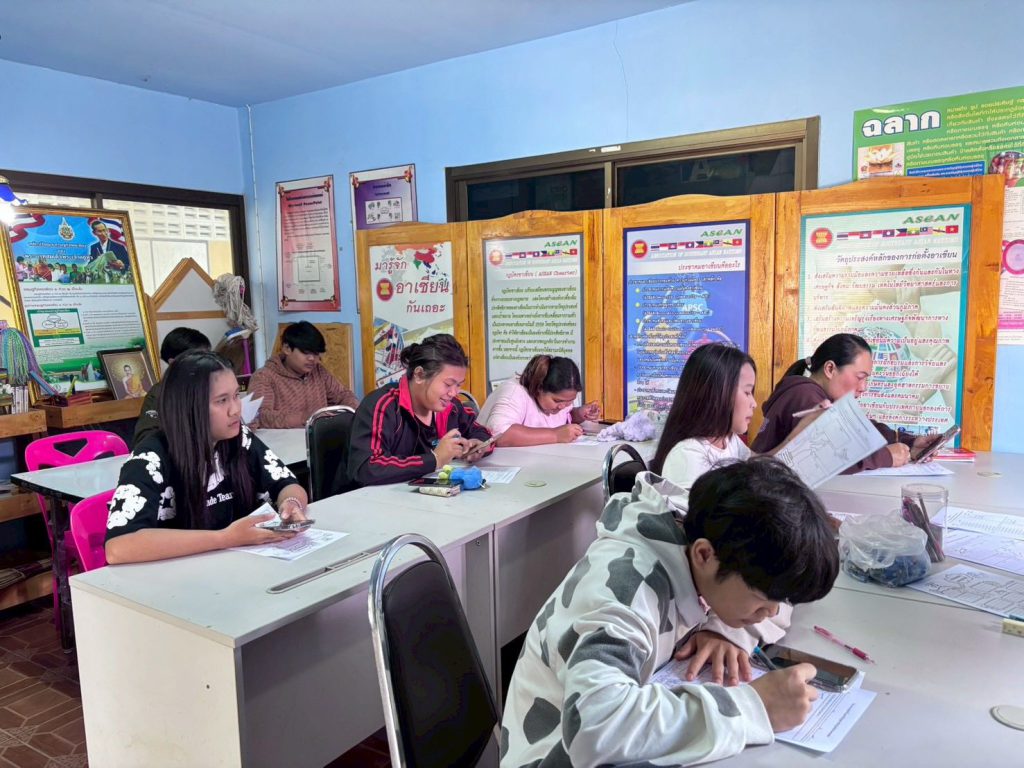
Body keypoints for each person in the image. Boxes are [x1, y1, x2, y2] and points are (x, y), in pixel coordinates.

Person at [501, 458, 840, 766]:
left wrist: (724, 630)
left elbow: (776, 596)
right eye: (760, 600)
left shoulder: (704, 541)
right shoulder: (624, 590)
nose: (771, 612)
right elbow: (595, 727)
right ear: (704, 556)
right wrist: (753, 708)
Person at [105, 351, 309, 565]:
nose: (235, 410)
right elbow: (119, 547)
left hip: (233, 565)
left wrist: (291, 503)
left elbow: (287, 484)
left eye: (236, 396)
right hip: (177, 574)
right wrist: (225, 538)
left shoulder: (240, 438)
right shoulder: (149, 459)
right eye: (222, 401)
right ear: (189, 407)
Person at [650, 343, 816, 508]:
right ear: (717, 394)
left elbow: (763, 464)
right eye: (747, 392)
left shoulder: (728, 440)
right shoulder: (688, 455)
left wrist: (802, 428)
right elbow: (697, 521)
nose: (754, 403)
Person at [751, 333, 937, 471]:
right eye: (860, 377)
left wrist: (909, 442)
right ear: (830, 369)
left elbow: (861, 427)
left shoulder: (818, 395)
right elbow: (829, 455)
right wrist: (886, 457)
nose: (864, 387)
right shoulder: (805, 395)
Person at [349, 334, 493, 486]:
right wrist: (435, 459)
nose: (453, 393)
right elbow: (366, 467)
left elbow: (482, 432)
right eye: (448, 384)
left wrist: (478, 445)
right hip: (370, 498)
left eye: (458, 385)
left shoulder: (452, 407)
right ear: (419, 375)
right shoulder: (383, 405)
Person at [248, 321, 358, 429]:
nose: (312, 359)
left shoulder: (318, 371)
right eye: (306, 352)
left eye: (316, 353)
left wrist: (353, 411)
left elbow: (343, 395)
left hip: (318, 438)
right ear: (287, 348)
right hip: (283, 440)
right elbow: (260, 416)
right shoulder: (264, 377)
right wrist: (304, 418)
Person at [477, 355, 600, 446]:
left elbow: (561, 417)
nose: (563, 406)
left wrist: (578, 414)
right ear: (539, 388)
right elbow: (500, 435)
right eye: (557, 401)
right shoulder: (513, 392)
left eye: (569, 401)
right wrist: (555, 435)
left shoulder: (559, 401)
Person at [133, 327, 211, 447]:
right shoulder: (159, 393)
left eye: (208, 357)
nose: (206, 364)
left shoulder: (209, 386)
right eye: (198, 358)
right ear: (174, 362)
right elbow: (144, 439)